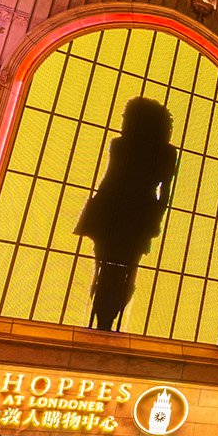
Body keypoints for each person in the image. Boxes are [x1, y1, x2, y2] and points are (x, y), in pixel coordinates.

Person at [75, 97, 178, 331]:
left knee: (104, 268)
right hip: (137, 213)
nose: (123, 121)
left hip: (112, 208)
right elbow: (164, 192)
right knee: (125, 270)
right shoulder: (165, 152)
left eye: (126, 116)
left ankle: (101, 318)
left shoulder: (120, 144)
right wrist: (155, 217)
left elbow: (110, 178)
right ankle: (106, 319)